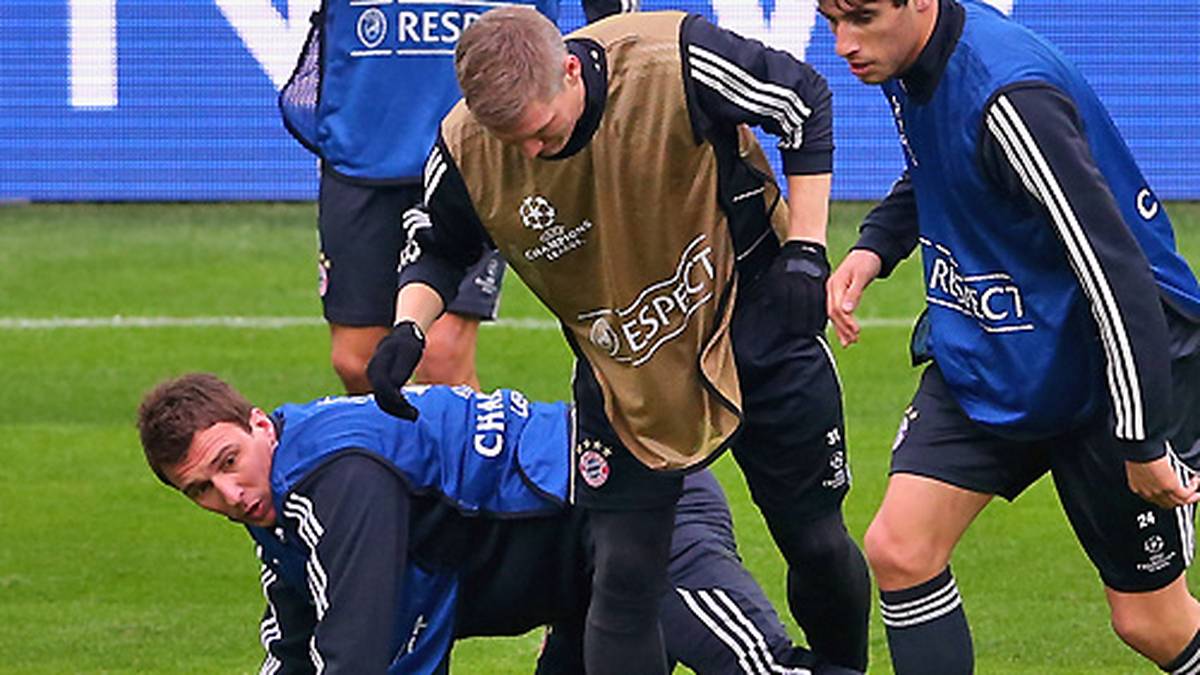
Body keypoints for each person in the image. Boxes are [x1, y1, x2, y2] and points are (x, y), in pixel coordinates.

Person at [366, 8, 870, 674]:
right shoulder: (468, 144)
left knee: (812, 537)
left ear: (570, 69)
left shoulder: (671, 59)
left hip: (754, 322)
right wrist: (409, 326)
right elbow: (438, 244)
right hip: (623, 369)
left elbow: (802, 99)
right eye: (511, 141)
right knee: (625, 575)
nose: (531, 155)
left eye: (542, 132)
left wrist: (806, 248)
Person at [817, 0, 1200, 672]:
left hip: (1109, 368)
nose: (844, 43)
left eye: (862, 17)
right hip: (991, 347)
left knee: (1152, 622)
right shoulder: (903, 63)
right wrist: (875, 245)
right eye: (829, 21)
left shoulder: (1011, 98)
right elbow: (936, 163)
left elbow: (1117, 273)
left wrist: (1140, 438)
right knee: (900, 548)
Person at [136, 373, 860, 675]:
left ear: (261, 424)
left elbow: (354, 653)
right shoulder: (286, 507)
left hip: (647, 515)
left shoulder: (337, 474)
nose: (229, 493)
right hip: (578, 582)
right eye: (200, 488)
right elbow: (296, 649)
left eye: (229, 460)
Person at [277, 0, 630, 391]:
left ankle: (470, 451)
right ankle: (396, 454)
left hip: (485, 143)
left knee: (441, 356)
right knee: (359, 363)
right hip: (363, 136)